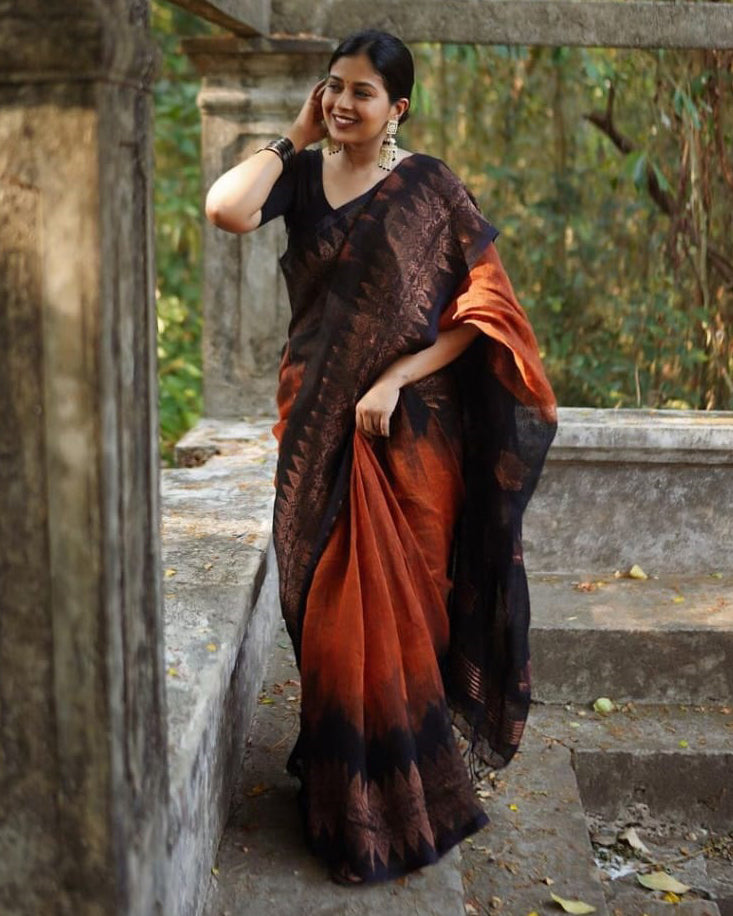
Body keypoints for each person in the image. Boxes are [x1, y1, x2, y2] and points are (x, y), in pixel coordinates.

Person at [205, 29, 557, 885]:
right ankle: (340, 792)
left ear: (397, 107)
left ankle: (393, 807)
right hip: (311, 421)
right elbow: (224, 208)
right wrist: (291, 133)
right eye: (332, 87)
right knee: (322, 614)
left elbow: (485, 310)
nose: (341, 104)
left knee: (393, 613)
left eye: (361, 92)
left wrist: (396, 376)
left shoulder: (429, 188)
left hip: (405, 437)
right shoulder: (298, 176)